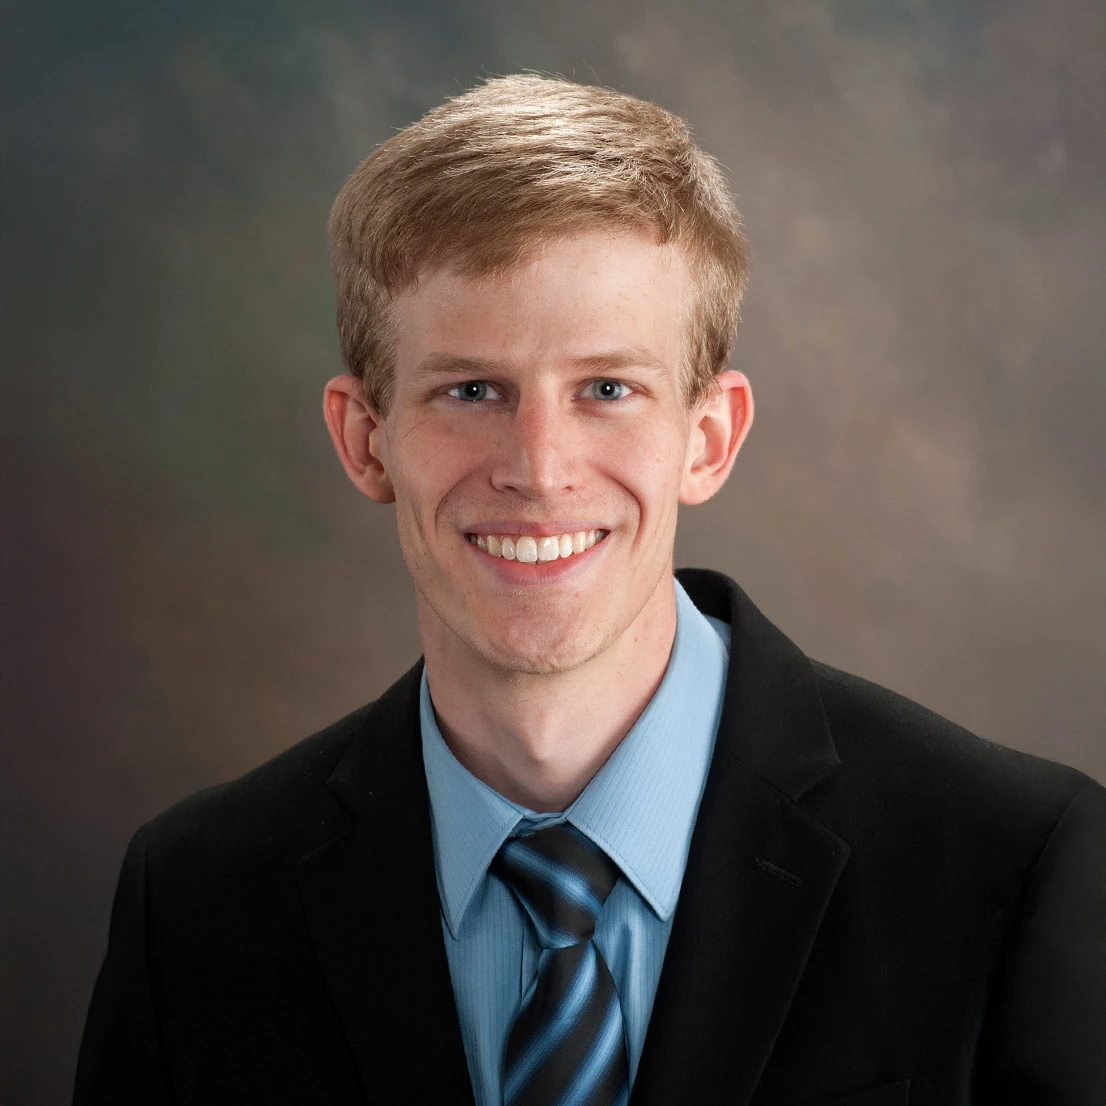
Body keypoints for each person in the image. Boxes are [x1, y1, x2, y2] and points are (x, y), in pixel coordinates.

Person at [74, 74, 1104, 1106]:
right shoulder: (197, 906)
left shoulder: (1012, 864)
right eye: (470, 389)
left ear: (708, 438)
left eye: (606, 389)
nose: (538, 465)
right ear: (364, 438)